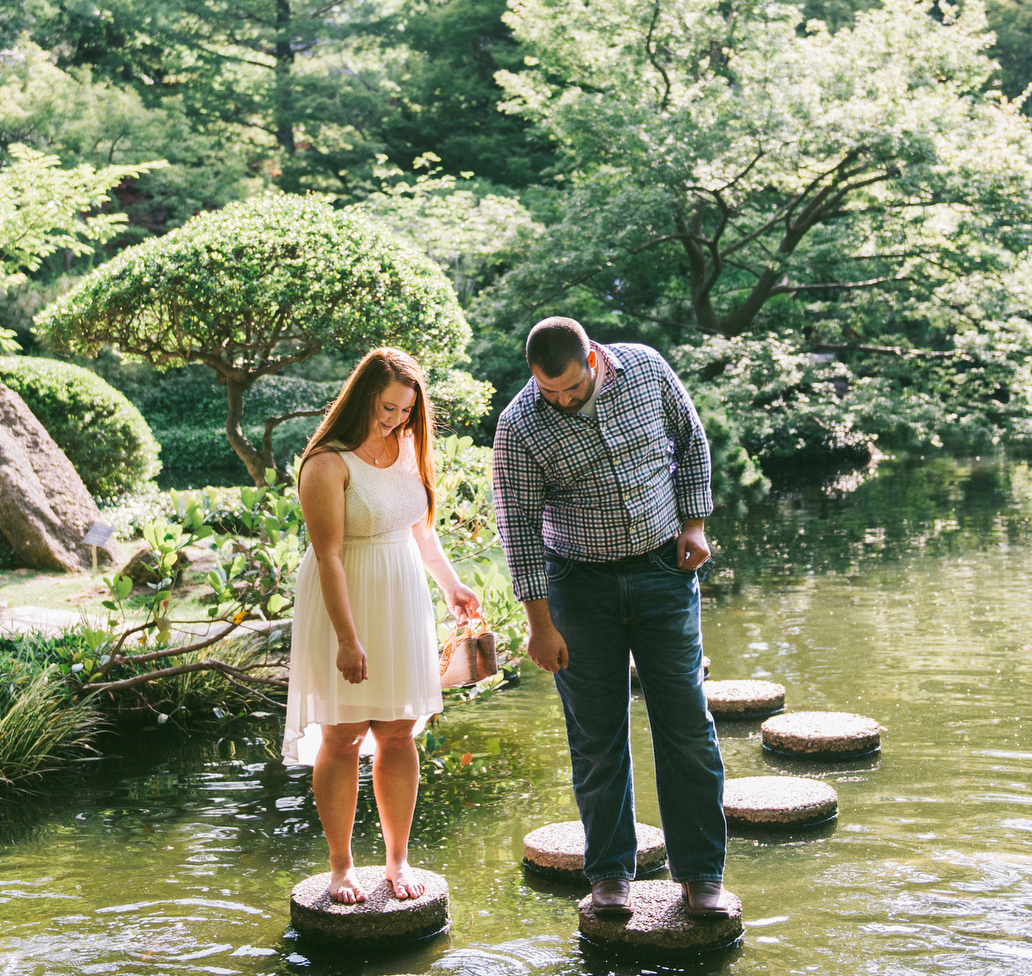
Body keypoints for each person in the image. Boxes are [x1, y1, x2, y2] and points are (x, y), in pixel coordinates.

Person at [492, 316, 734, 920]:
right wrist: (538, 624)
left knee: (686, 722)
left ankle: (701, 875)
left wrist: (696, 523)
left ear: (593, 359)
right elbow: (517, 530)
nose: (563, 401)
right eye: (550, 392)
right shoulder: (520, 424)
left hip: (664, 571)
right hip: (579, 586)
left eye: (571, 389)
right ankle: (609, 875)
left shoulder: (647, 369)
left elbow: (692, 439)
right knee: (597, 736)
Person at [283, 347, 479, 902]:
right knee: (342, 737)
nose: (395, 420)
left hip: (402, 595)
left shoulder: (411, 446)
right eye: (388, 408)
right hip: (343, 598)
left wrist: (452, 585)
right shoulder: (326, 462)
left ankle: (397, 862)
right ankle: (341, 867)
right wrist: (347, 639)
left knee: (397, 732)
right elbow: (329, 557)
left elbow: (421, 531)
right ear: (363, 396)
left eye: (405, 411)